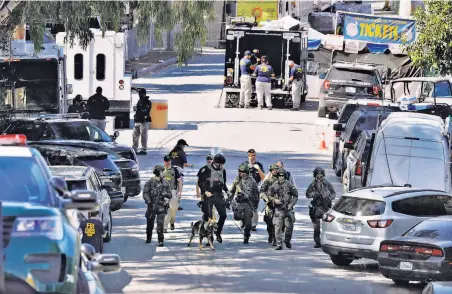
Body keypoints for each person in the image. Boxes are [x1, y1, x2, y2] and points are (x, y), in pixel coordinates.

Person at [197, 154, 228, 243]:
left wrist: (227, 191)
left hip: (218, 195)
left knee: (223, 215)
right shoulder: (205, 169)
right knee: (209, 217)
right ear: (215, 163)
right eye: (220, 164)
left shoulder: (223, 170)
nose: (221, 166)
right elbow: (200, 182)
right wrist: (205, 191)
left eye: (222, 165)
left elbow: (223, 183)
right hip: (208, 195)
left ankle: (218, 232)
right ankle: (209, 238)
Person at [267, 168, 298, 250]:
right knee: (277, 227)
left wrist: (291, 204)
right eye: (280, 175)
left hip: (287, 208)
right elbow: (269, 195)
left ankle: (287, 240)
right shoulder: (274, 185)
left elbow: (295, 195)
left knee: (289, 226)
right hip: (278, 209)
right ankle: (279, 244)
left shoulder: (289, 185)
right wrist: (274, 200)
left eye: (283, 175)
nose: (281, 177)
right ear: (277, 176)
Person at [228, 163, 260, 244]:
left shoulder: (252, 181)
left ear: (247, 172)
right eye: (239, 172)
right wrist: (228, 200)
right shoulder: (237, 180)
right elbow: (232, 191)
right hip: (239, 203)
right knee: (237, 216)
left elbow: (257, 193)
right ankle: (243, 219)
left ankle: (246, 235)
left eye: (243, 172)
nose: (241, 173)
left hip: (248, 204)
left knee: (248, 222)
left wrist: (255, 205)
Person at [306, 167, 336, 248]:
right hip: (316, 208)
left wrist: (328, 198)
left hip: (325, 207)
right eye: (317, 175)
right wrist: (314, 194)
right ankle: (317, 242)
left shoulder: (327, 183)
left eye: (320, 175)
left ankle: (327, 241)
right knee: (316, 227)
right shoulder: (312, 184)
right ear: (315, 175)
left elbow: (333, 194)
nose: (319, 176)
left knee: (327, 226)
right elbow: (307, 194)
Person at [143, 165, 173, 246]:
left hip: (161, 207)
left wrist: (165, 194)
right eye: (162, 171)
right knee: (150, 224)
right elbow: (145, 193)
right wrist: (148, 201)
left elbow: (170, 195)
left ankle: (160, 240)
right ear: (158, 172)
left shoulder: (165, 183)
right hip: (151, 205)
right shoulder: (150, 182)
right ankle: (148, 237)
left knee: (160, 224)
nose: (164, 173)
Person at [169, 139, 194, 211]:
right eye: (184, 146)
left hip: (171, 171)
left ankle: (170, 204)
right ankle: (176, 205)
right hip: (179, 172)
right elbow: (185, 164)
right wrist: (191, 165)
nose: (184, 147)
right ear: (181, 145)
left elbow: (170, 158)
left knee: (172, 188)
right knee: (179, 189)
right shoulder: (181, 152)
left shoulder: (173, 152)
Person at [245, 149, 265, 231]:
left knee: (254, 207)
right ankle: (245, 222)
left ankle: (253, 225)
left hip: (255, 189)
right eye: (251, 155)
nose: (252, 157)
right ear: (248, 156)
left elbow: (264, 178)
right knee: (244, 206)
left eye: (254, 155)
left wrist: (258, 169)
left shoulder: (259, 165)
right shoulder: (244, 165)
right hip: (245, 188)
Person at [260, 164, 279, 246]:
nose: (275, 171)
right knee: (269, 222)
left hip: (279, 205)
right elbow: (262, 192)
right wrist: (266, 198)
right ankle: (271, 234)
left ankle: (276, 238)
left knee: (278, 222)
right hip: (269, 204)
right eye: (273, 170)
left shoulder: (282, 181)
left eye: (276, 170)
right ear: (271, 171)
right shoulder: (268, 181)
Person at [162, 155, 182, 232]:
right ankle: (165, 227)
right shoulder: (161, 170)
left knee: (173, 209)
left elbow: (179, 181)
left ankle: (172, 221)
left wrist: (180, 192)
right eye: (167, 161)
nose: (168, 162)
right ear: (164, 161)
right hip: (163, 192)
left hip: (173, 191)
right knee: (166, 210)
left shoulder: (175, 170)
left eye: (169, 161)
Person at [133, 89, 152, 155]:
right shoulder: (139, 101)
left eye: (141, 94)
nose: (140, 95)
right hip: (138, 120)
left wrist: (138, 108)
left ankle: (144, 149)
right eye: (139, 94)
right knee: (135, 135)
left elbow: (145, 110)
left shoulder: (148, 102)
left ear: (144, 94)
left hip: (144, 121)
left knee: (143, 135)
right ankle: (135, 148)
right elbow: (138, 109)